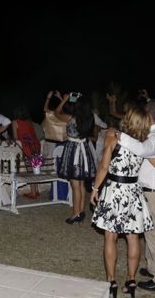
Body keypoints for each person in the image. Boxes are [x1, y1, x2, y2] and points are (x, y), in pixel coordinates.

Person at [91, 106, 155, 298]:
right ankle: (131, 280)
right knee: (133, 238)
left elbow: (103, 167)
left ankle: (111, 281)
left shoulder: (113, 139)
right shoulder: (145, 144)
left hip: (114, 190)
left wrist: (95, 189)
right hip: (134, 192)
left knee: (110, 237)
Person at [118, 101, 155, 292]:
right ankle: (153, 268)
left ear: (148, 116)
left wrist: (119, 136)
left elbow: (142, 149)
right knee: (151, 234)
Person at [54, 94, 97, 224]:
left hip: (73, 150)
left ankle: (75, 213)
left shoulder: (71, 118)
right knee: (81, 183)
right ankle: (81, 211)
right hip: (84, 148)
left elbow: (56, 113)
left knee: (75, 185)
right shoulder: (90, 118)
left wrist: (64, 99)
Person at [12, 105, 42, 198]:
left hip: (26, 146)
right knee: (35, 168)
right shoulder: (29, 121)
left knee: (30, 170)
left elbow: (16, 137)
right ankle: (36, 191)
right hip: (36, 145)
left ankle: (33, 193)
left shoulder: (15, 122)